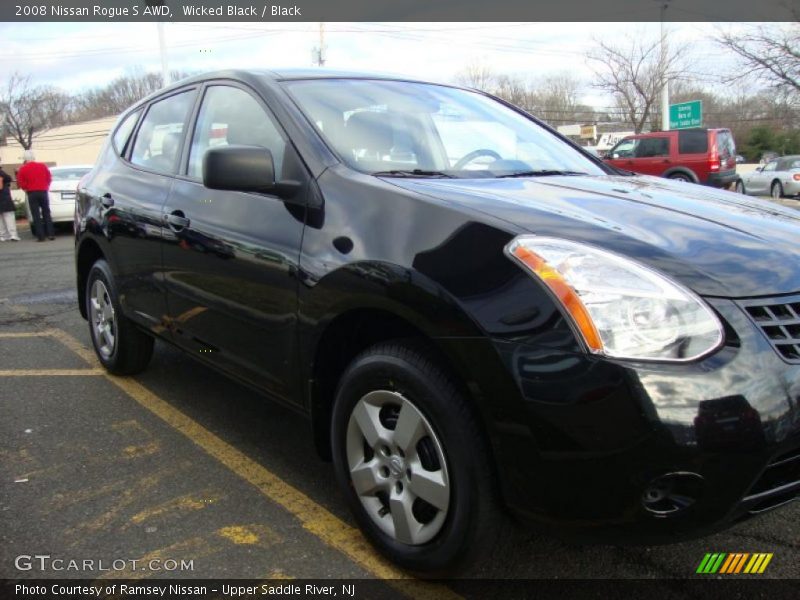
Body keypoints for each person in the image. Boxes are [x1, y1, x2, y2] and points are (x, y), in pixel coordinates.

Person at [16, 149, 54, 242]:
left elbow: (21, 182)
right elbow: (49, 178)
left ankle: (41, 236)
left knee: (36, 214)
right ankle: (50, 234)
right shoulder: (42, 166)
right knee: (46, 212)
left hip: (31, 193)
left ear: (25, 159)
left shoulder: (23, 169)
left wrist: (26, 188)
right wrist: (46, 186)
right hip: (43, 191)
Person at [0, 156, 20, 242]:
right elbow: (8, 178)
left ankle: (3, 235)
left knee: (0, 218)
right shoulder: (1, 173)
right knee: (9, 216)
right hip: (4, 197)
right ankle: (13, 235)